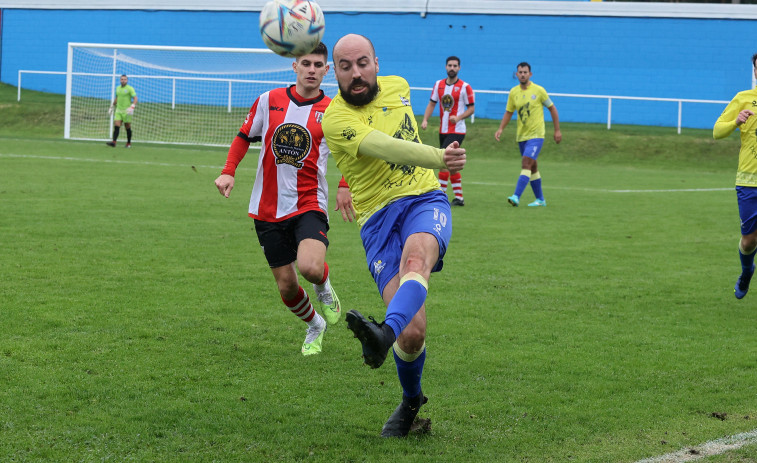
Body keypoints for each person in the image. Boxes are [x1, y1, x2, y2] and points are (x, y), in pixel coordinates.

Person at [322, 34, 466, 438]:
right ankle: (410, 400)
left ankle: (382, 334)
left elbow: (405, 133)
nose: (356, 73)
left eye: (362, 62)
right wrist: (442, 157)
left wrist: (434, 168)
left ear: (376, 63)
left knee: (416, 262)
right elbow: (387, 147)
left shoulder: (400, 87)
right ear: (336, 71)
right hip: (378, 222)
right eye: (345, 66)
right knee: (414, 332)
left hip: (424, 199)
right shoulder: (334, 119)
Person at [214, 43, 342, 355]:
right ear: (294, 66)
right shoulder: (268, 100)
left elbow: (350, 152)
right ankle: (315, 324)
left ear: (328, 70)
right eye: (306, 63)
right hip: (266, 207)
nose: (312, 69)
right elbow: (244, 136)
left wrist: (346, 186)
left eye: (318, 65)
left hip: (309, 202)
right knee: (286, 285)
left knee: (310, 267)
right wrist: (228, 171)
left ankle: (323, 287)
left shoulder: (335, 110)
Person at [713, 52, 757, 299]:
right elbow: (717, 132)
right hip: (749, 181)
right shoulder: (743, 99)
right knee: (749, 241)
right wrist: (735, 122)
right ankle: (747, 270)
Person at [494, 62, 561, 207]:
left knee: (525, 163)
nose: (523, 74)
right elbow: (509, 112)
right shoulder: (513, 92)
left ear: (530, 74)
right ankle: (540, 200)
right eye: (520, 72)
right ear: (516, 74)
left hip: (537, 135)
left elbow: (552, 108)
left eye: (525, 72)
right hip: (522, 136)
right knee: (532, 167)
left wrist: (557, 130)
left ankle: (516, 196)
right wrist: (500, 129)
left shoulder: (539, 90)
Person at [421, 56, 475, 206]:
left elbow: (471, 109)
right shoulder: (438, 85)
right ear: (446, 67)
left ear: (459, 68)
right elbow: (432, 104)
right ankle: (459, 198)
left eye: (455, 66)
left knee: (444, 161)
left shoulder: (465, 87)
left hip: (457, 130)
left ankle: (441, 196)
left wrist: (458, 117)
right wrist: (425, 119)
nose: (452, 68)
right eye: (450, 65)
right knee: (451, 164)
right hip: (443, 130)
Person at [107, 74, 138, 148]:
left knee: (127, 127)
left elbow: (135, 98)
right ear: (120, 80)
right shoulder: (118, 88)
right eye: (122, 79)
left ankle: (128, 143)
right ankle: (114, 142)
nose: (123, 81)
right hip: (118, 110)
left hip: (127, 111)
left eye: (125, 79)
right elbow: (117, 97)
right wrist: (112, 106)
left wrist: (132, 106)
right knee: (117, 125)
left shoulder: (130, 88)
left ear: (127, 80)